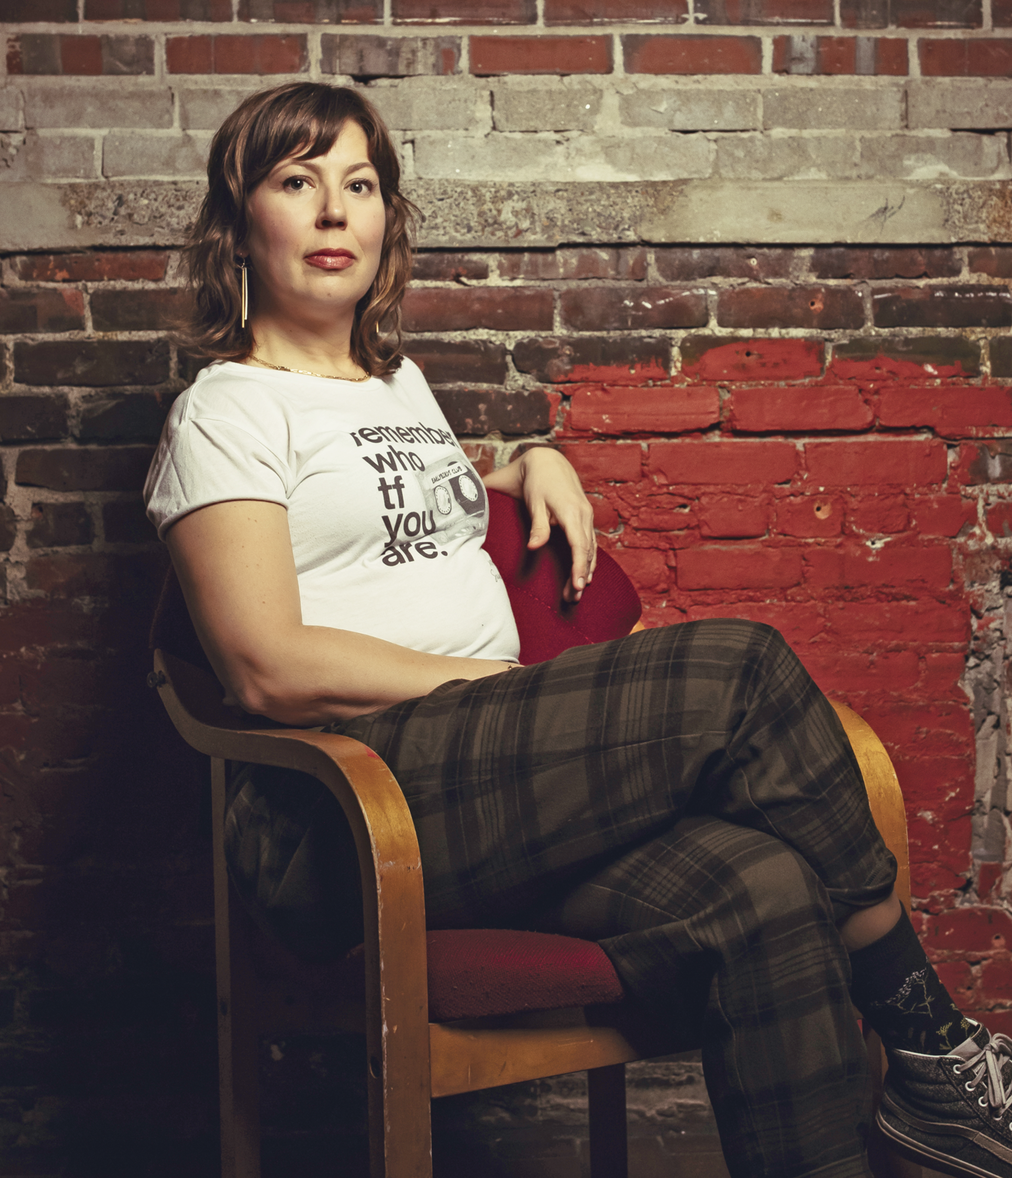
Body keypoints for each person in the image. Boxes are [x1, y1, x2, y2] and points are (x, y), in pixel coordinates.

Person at [143, 81, 1012, 1178]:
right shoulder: (226, 410)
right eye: (296, 181)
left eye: (357, 184)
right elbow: (264, 667)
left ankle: (888, 1132)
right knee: (738, 668)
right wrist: (466, 685)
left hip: (488, 792)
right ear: (239, 225)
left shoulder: (394, 385)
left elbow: (402, 508)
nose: (332, 212)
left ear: (385, 219)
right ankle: (933, 1042)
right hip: (343, 810)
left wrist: (525, 461)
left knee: (765, 887)